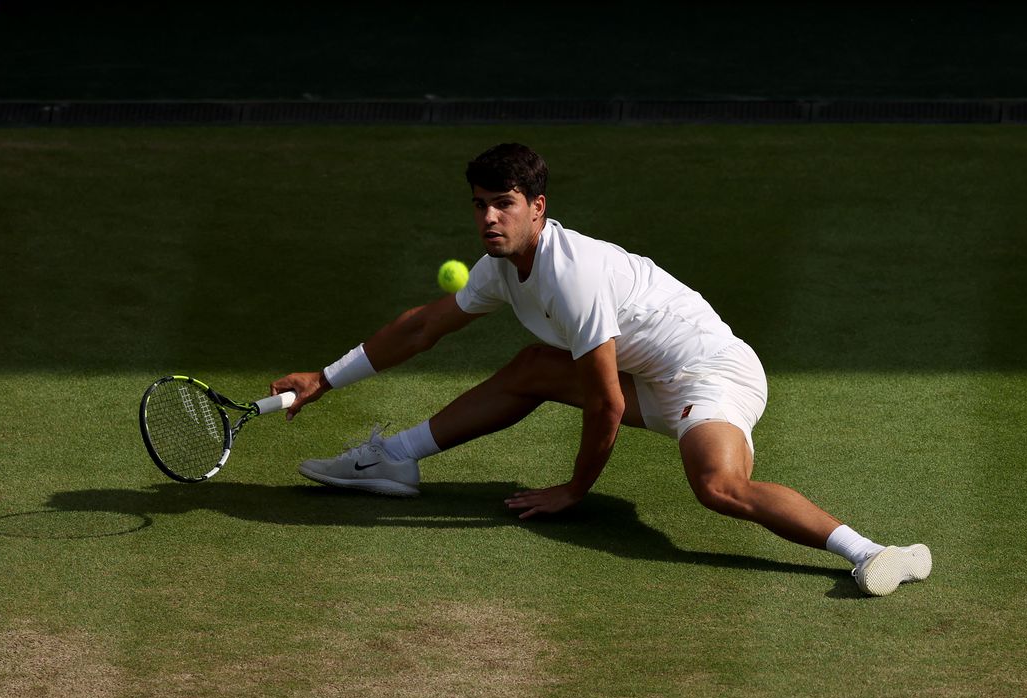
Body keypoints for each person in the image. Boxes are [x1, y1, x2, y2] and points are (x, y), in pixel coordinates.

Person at [269, 143, 931, 597]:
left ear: (538, 206)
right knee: (532, 364)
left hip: (710, 371)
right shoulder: (500, 268)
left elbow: (607, 404)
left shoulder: (573, 277)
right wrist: (324, 379)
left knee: (719, 486)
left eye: (502, 203)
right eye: (479, 204)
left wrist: (573, 489)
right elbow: (421, 327)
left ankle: (872, 553)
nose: (488, 218)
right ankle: (398, 459)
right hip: (653, 372)